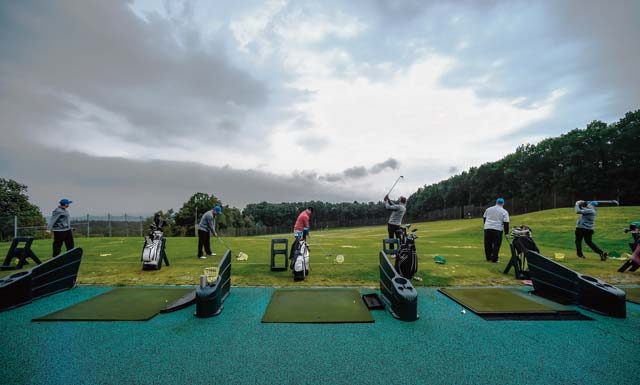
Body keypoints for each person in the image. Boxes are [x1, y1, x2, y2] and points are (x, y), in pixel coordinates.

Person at [483, 198, 510, 263]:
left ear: (496, 202)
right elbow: (506, 223)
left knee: (487, 243)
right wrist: (506, 233)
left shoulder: (488, 209)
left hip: (487, 228)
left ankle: (488, 257)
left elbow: (484, 218)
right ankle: (494, 259)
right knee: (496, 244)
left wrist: (486, 225)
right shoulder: (504, 211)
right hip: (497, 229)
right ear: (503, 203)